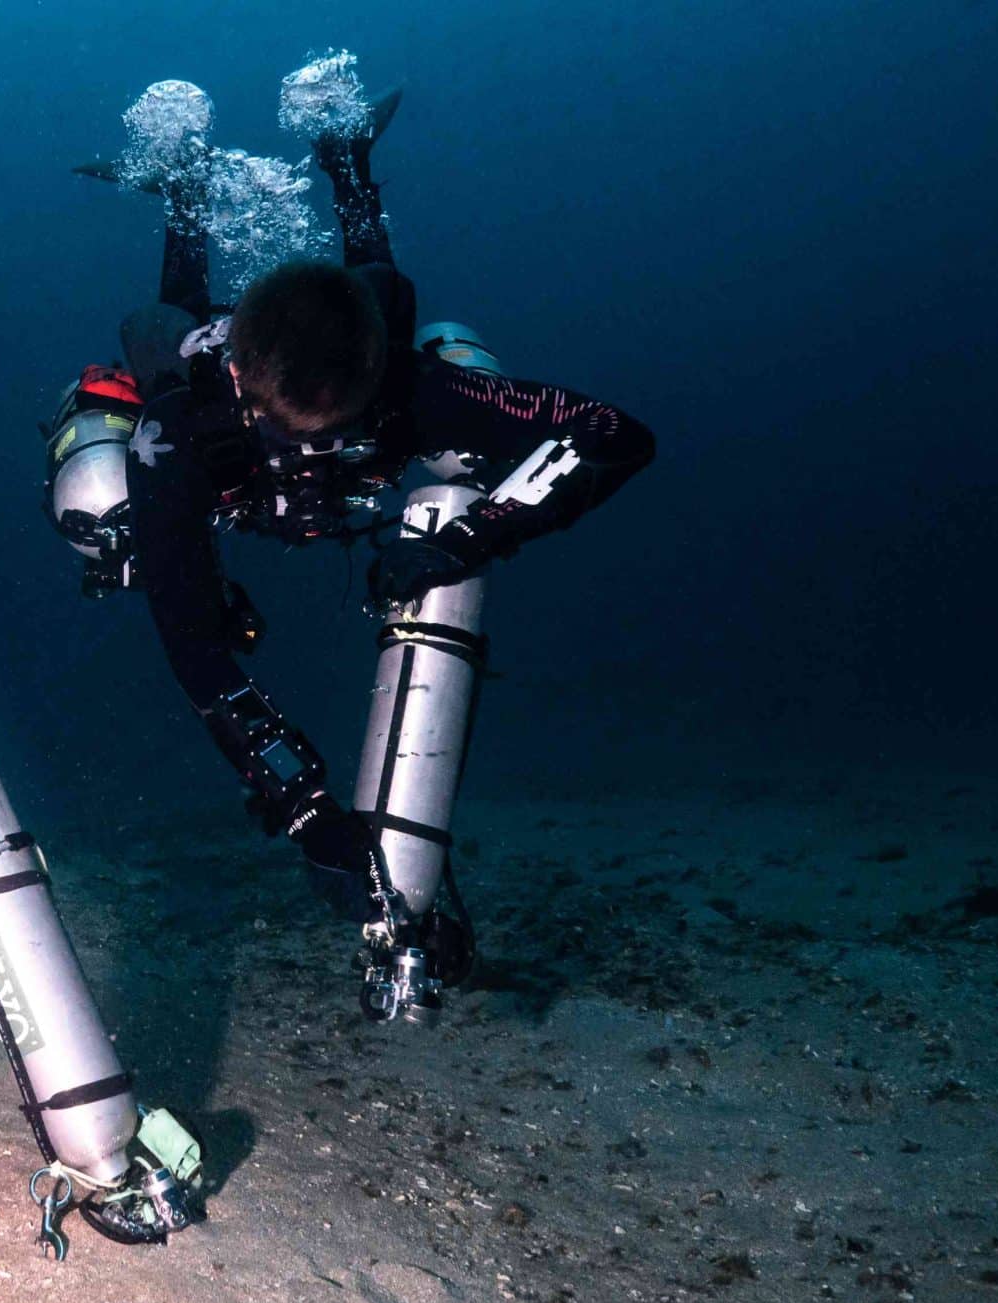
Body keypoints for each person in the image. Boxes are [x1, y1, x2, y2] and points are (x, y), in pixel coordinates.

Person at [48, 71, 656, 1004]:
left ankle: (346, 161)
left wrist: (470, 536)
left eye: (347, 427)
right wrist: (300, 803)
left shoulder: (410, 381)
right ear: (250, 395)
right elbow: (195, 650)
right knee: (158, 359)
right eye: (301, 433)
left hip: (364, 337)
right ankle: (184, 190)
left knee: (379, 279)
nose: (323, 453)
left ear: (376, 383)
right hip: (202, 397)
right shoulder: (186, 428)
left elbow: (611, 433)